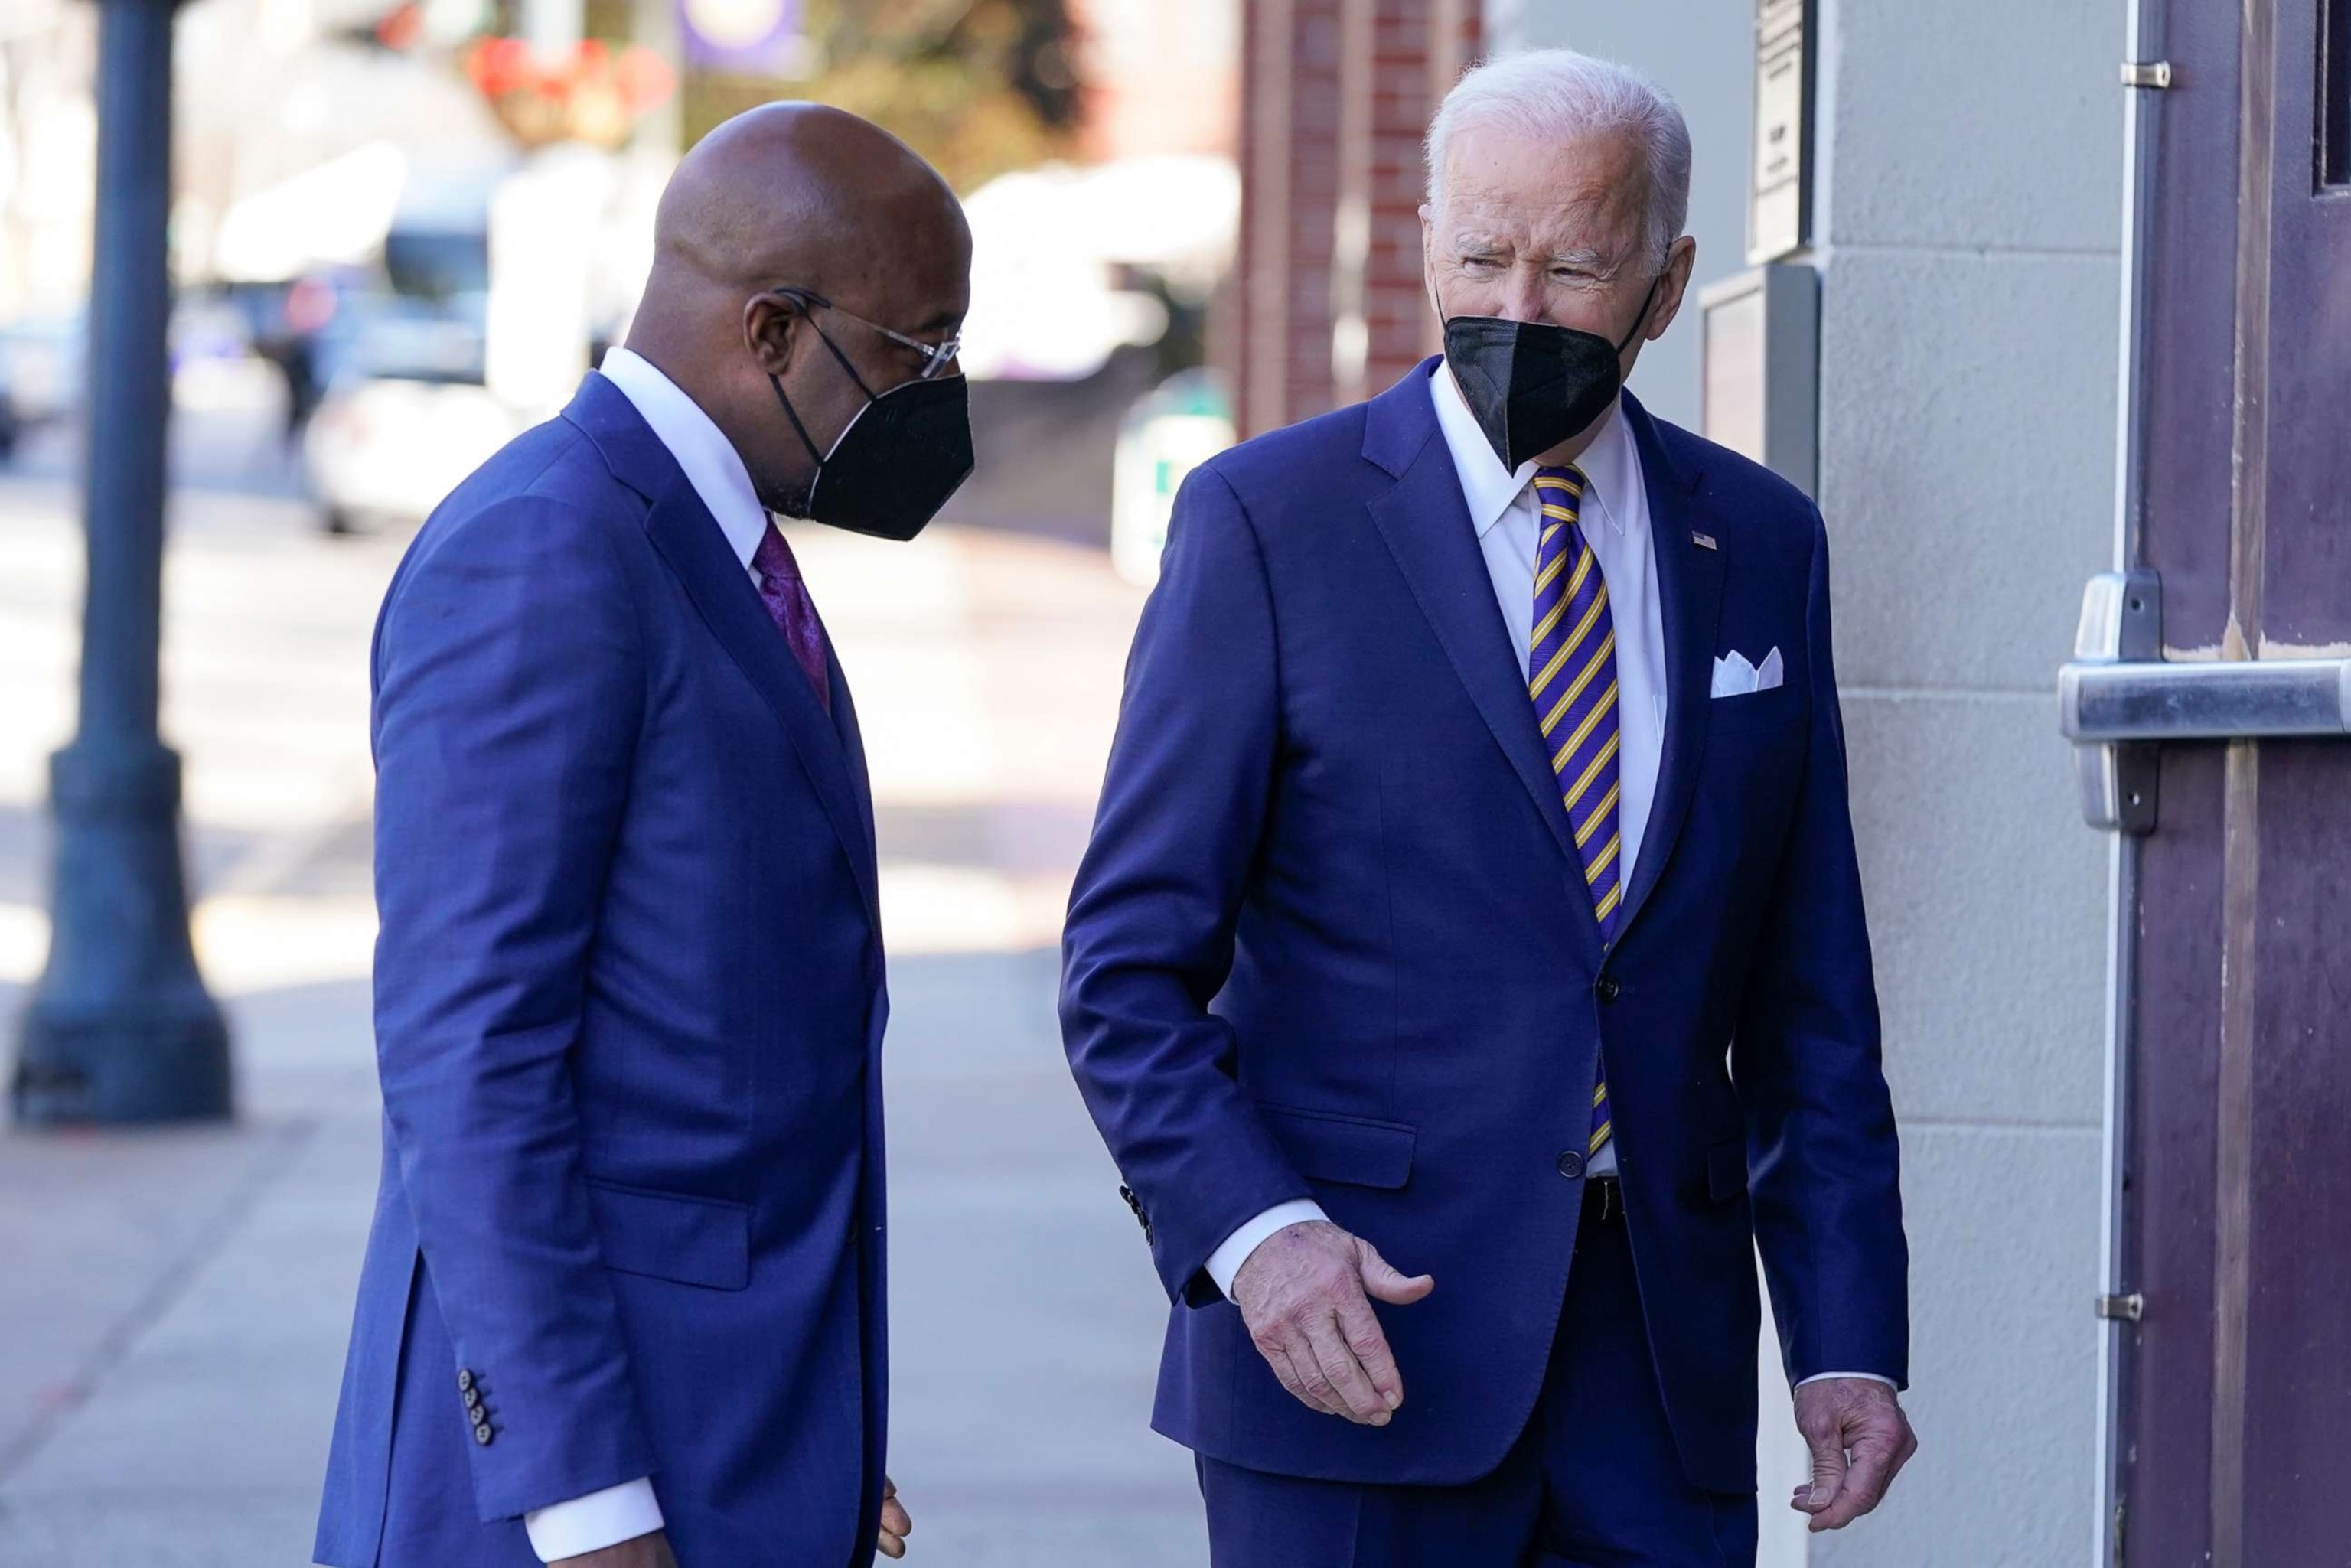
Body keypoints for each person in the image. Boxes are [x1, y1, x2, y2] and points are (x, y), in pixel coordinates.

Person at [1060, 49, 1915, 1566]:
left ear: (1668, 282)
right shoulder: (1267, 523)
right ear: (1422, 240)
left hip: (1661, 1383)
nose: (1516, 308)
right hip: (1352, 1354)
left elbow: (1811, 999)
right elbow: (1125, 972)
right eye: (1478, 255)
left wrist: (1847, 1334)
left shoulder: (1763, 544)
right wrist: (1259, 1238)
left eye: (1575, 264)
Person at [312, 103, 974, 1568]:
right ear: (773, 331)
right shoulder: (545, 543)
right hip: (580, 1501)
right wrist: (587, 1497)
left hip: (736, 1443)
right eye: (923, 353)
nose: (944, 397)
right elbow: (468, 1056)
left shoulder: (712, 542)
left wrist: (813, 1429)